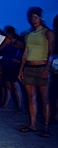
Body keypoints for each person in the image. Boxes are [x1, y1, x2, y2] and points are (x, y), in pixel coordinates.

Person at [18, 7, 55, 138]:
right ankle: (32, 124)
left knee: (44, 99)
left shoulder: (48, 33)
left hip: (42, 67)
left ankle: (46, 126)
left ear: (41, 18)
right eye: (31, 17)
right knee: (30, 98)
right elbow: (25, 53)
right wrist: (21, 70)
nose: (33, 20)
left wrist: (47, 69)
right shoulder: (28, 35)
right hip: (29, 68)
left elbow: (51, 52)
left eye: (36, 17)